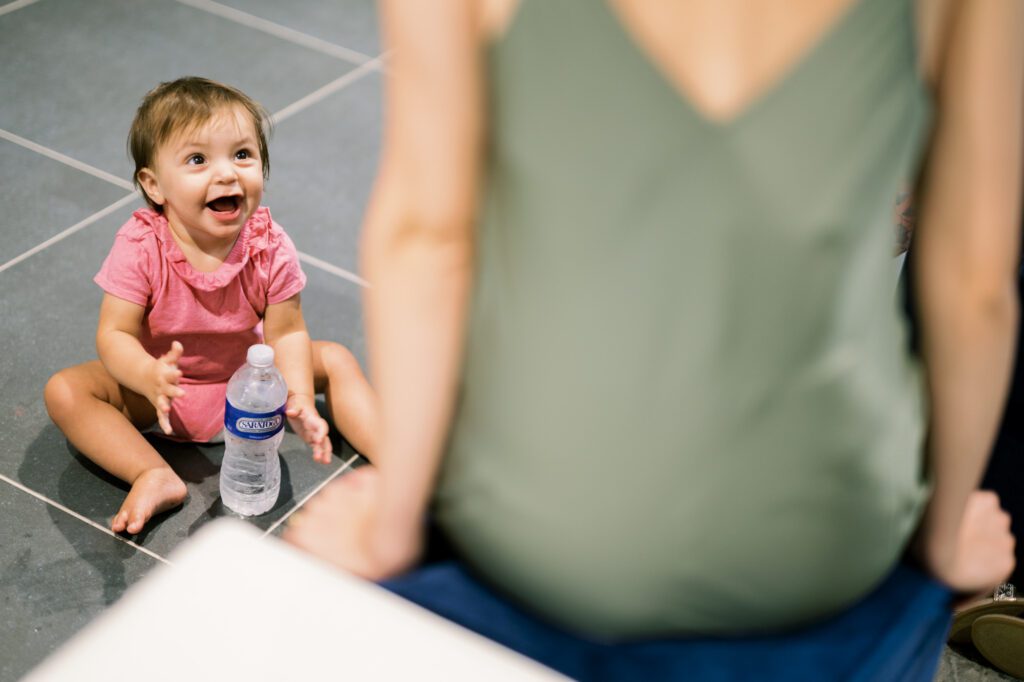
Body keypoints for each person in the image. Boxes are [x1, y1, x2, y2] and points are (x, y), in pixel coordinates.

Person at [286, 0, 1022, 678]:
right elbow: (975, 282)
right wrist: (944, 533)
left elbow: (428, 240)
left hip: (540, 522)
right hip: (829, 539)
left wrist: (396, 522)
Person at [44, 77, 377, 535]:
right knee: (66, 390)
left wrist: (297, 395)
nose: (226, 174)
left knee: (334, 359)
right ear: (154, 185)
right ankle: (153, 473)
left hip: (251, 391)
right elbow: (115, 333)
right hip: (168, 395)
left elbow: (286, 333)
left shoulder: (270, 245)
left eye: (242, 155)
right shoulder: (141, 245)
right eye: (198, 160)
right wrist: (147, 375)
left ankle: (397, 460)